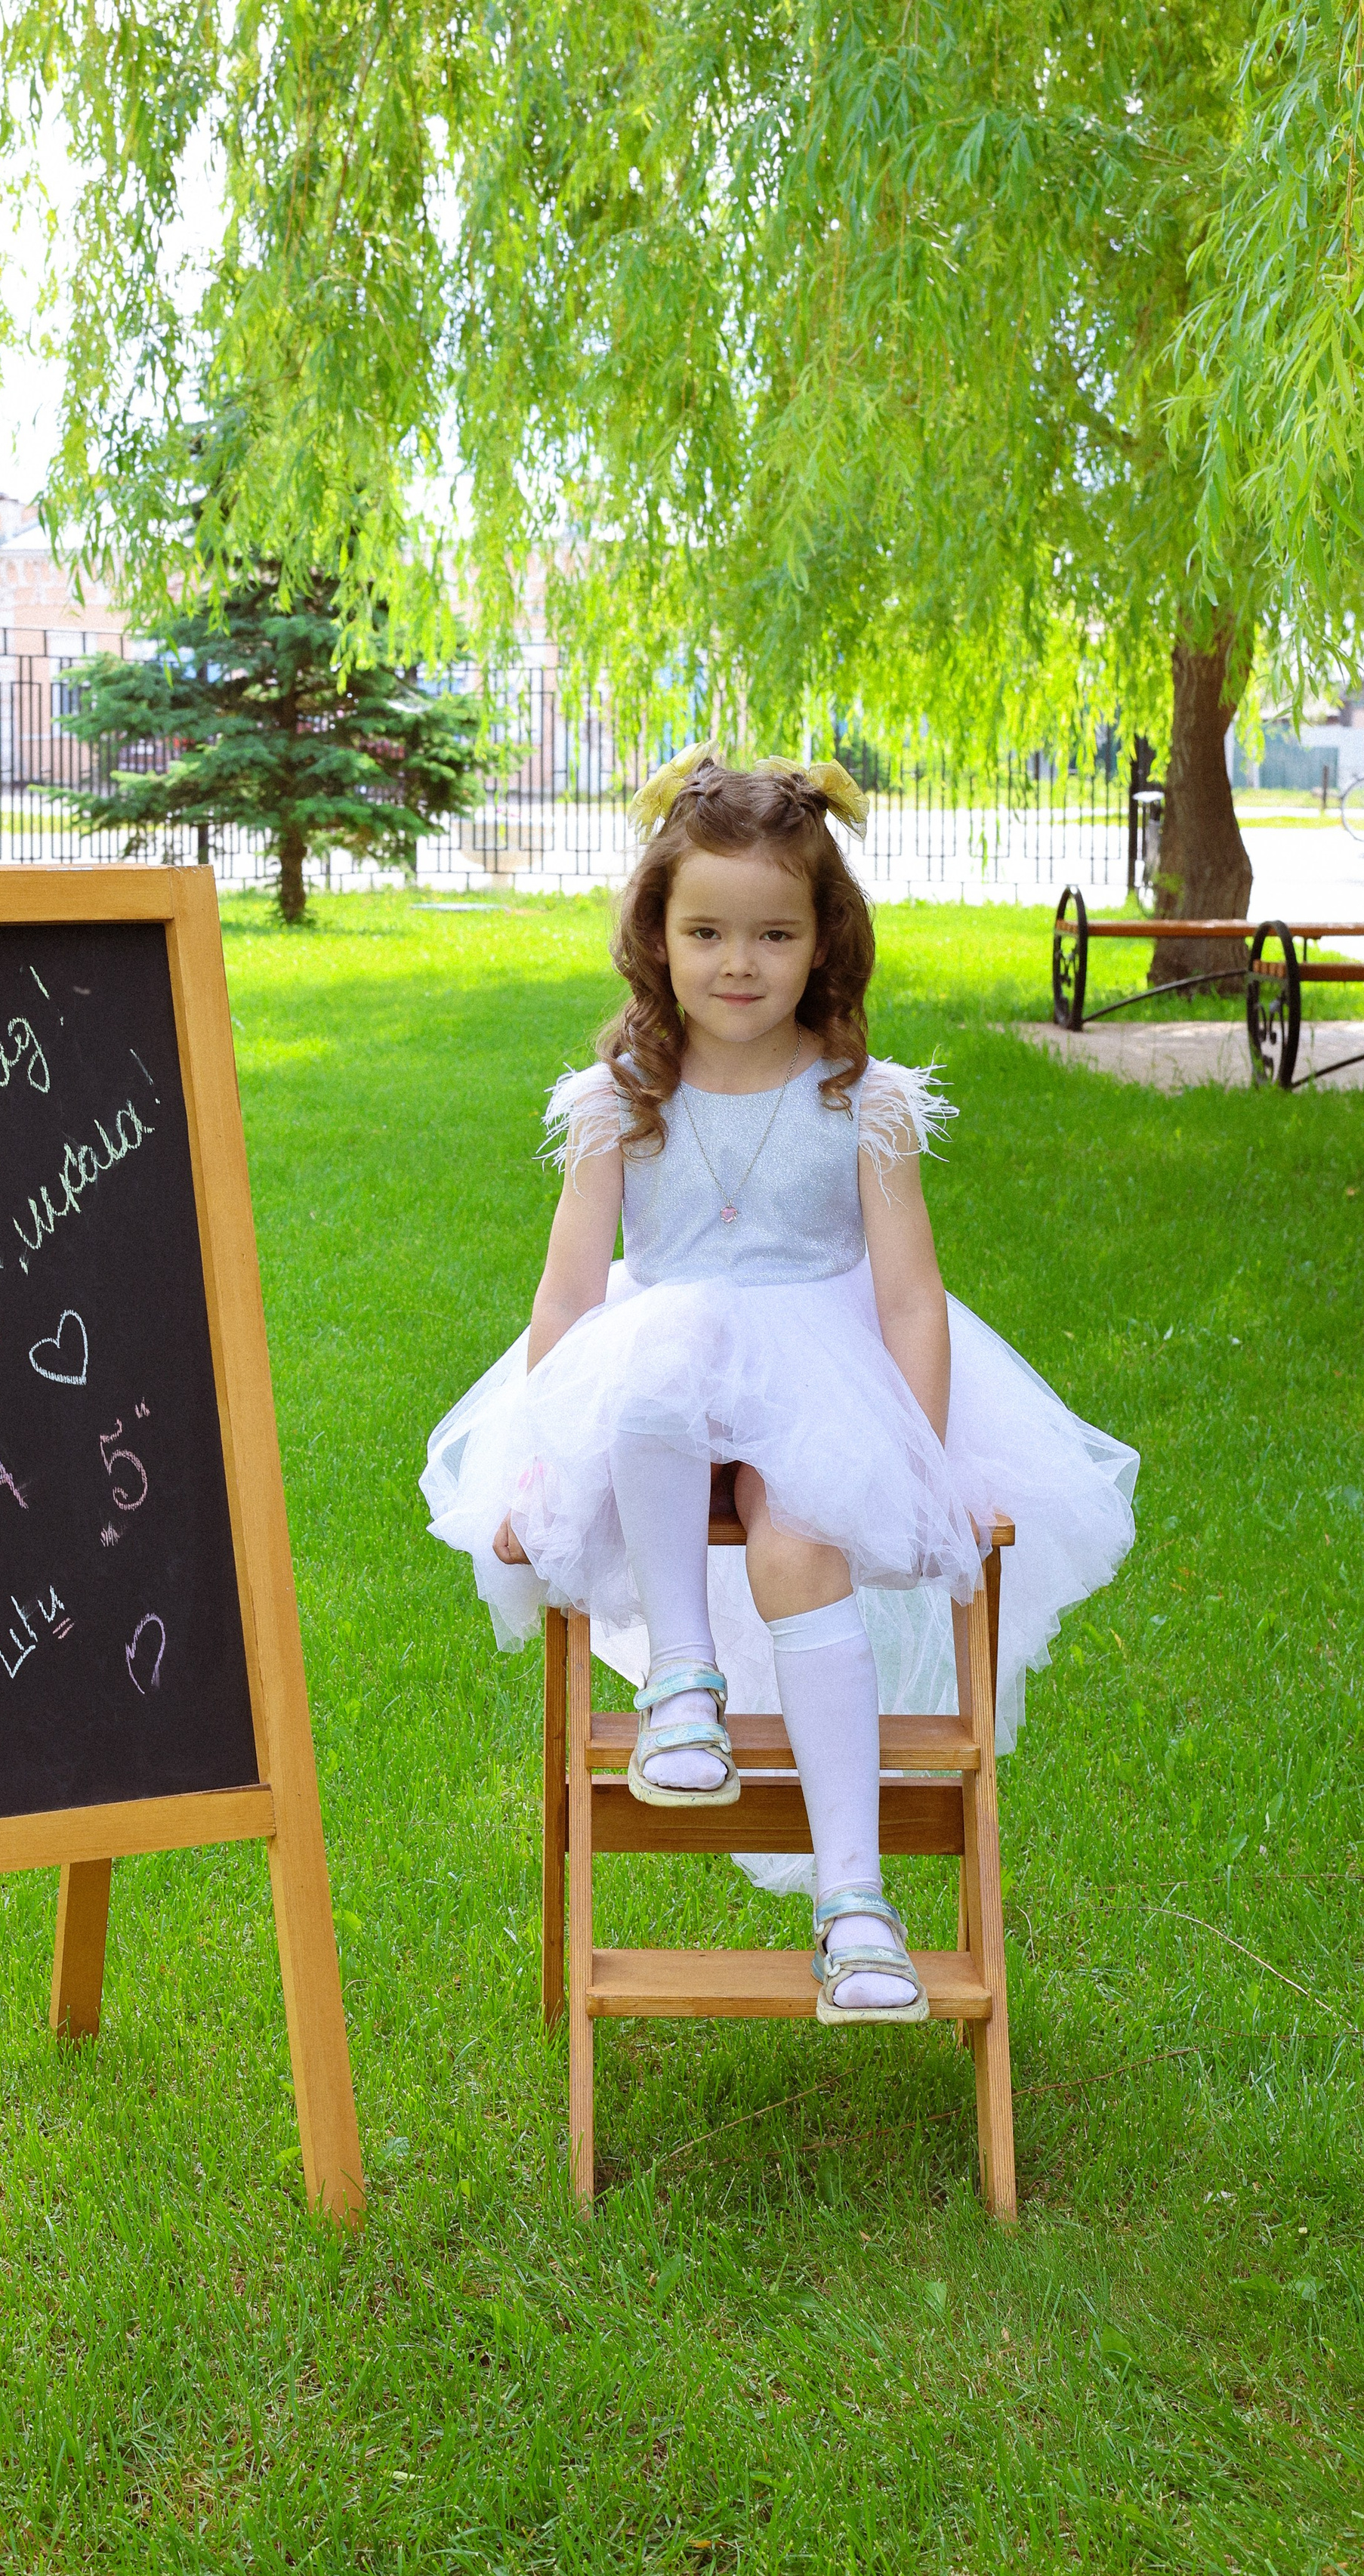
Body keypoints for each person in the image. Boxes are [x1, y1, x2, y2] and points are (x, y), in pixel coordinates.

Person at [421, 752, 1137, 2023]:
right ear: (657, 935)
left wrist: (921, 1461)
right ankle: (682, 1688)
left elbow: (911, 1299)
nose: (736, 962)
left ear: (824, 943)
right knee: (648, 1379)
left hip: (823, 1375)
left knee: (800, 1545)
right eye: (705, 931)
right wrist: (535, 1465)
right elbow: (571, 1303)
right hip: (664, 1381)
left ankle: (856, 1904)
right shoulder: (620, 1102)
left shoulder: (862, 1103)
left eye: (772, 933)